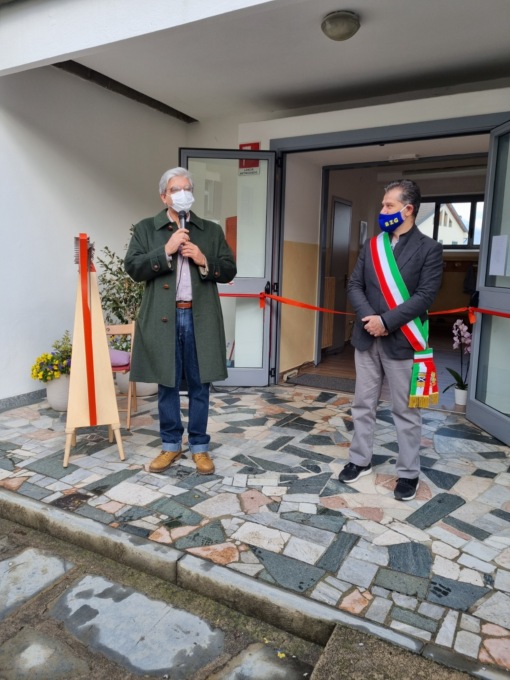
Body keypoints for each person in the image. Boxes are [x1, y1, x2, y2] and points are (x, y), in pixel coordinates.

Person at [125, 167, 236, 475]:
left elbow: (229, 269)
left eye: (187, 188)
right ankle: (171, 445)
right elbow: (133, 267)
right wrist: (166, 250)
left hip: (200, 318)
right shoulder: (146, 228)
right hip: (164, 319)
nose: (182, 194)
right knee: (167, 383)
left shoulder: (210, 231)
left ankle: (199, 447)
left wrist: (203, 259)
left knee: (200, 384)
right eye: (175, 189)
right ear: (164, 196)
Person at [339, 179, 443, 501]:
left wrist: (386, 322)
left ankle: (408, 473)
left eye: (389, 206)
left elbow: (425, 295)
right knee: (362, 404)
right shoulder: (373, 245)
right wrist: (372, 319)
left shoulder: (429, 249)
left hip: (402, 343)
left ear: (408, 209)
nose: (382, 210)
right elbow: (354, 285)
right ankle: (360, 460)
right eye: (383, 205)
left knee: (406, 411)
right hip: (367, 338)